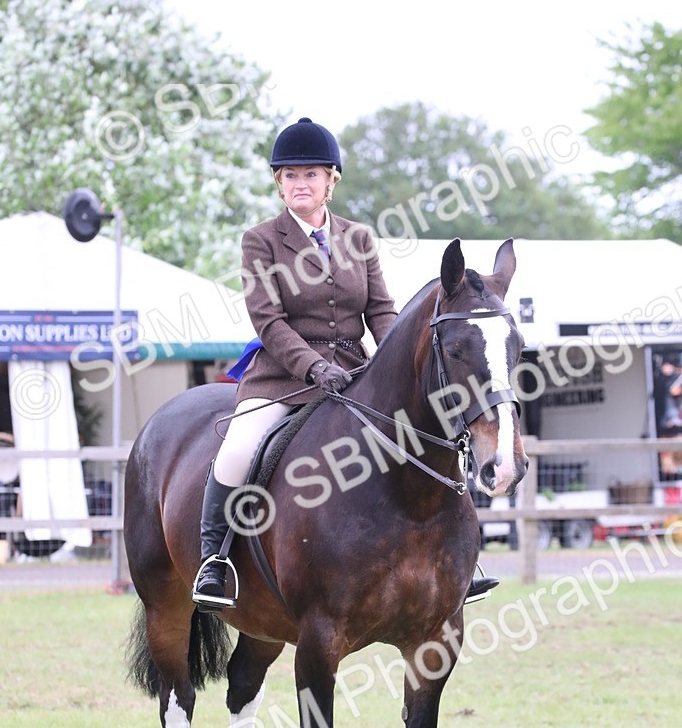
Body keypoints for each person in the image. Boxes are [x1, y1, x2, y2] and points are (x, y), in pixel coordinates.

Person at [192, 117, 499, 609]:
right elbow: (268, 321)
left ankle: (453, 559)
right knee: (238, 451)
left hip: (356, 376)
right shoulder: (261, 240)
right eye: (290, 175)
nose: (301, 183)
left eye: (311, 174)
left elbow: (380, 310)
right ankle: (215, 560)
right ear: (279, 184)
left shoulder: (357, 238)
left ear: (330, 181)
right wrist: (314, 367)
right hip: (283, 380)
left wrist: (401, 362)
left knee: (424, 437)